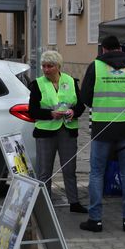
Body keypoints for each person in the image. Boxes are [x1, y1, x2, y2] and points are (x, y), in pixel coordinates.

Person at [80, 35, 125, 232]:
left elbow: (85, 97)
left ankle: (95, 220)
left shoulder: (95, 66)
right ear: (120, 48)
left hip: (102, 127)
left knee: (97, 173)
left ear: (103, 49)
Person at [28, 50, 87, 213]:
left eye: (50, 66)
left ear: (58, 66)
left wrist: (74, 112)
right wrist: (50, 114)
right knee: (44, 171)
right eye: (44, 66)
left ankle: (74, 203)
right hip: (46, 132)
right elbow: (32, 111)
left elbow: (81, 105)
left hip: (67, 130)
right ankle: (44, 204)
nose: (46, 69)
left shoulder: (70, 81)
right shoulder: (37, 84)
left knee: (69, 168)